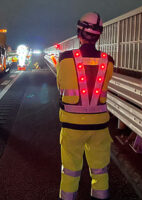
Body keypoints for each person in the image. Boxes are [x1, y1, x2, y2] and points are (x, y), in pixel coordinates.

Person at [56, 12, 114, 200]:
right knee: (100, 169)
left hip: (72, 126)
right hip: (99, 127)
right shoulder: (108, 61)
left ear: (79, 33)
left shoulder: (65, 58)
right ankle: (100, 196)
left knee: (71, 170)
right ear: (99, 35)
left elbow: (61, 86)